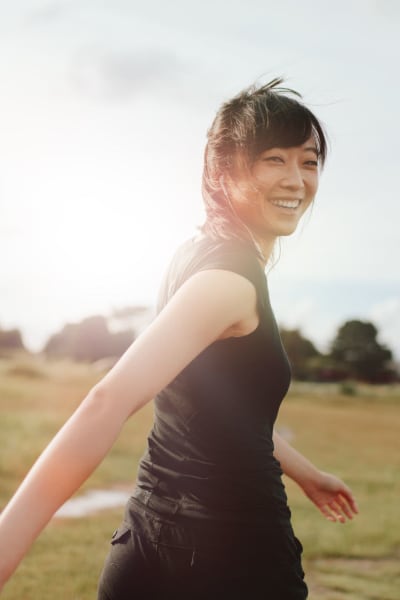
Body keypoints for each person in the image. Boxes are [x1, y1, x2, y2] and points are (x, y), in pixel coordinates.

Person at [0, 78, 358, 599]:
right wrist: (6, 541)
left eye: (308, 160)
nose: (297, 179)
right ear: (227, 171)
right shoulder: (229, 282)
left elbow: (220, 408)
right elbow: (107, 401)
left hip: (146, 546)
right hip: (236, 553)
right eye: (273, 159)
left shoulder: (194, 255)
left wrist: (306, 473)